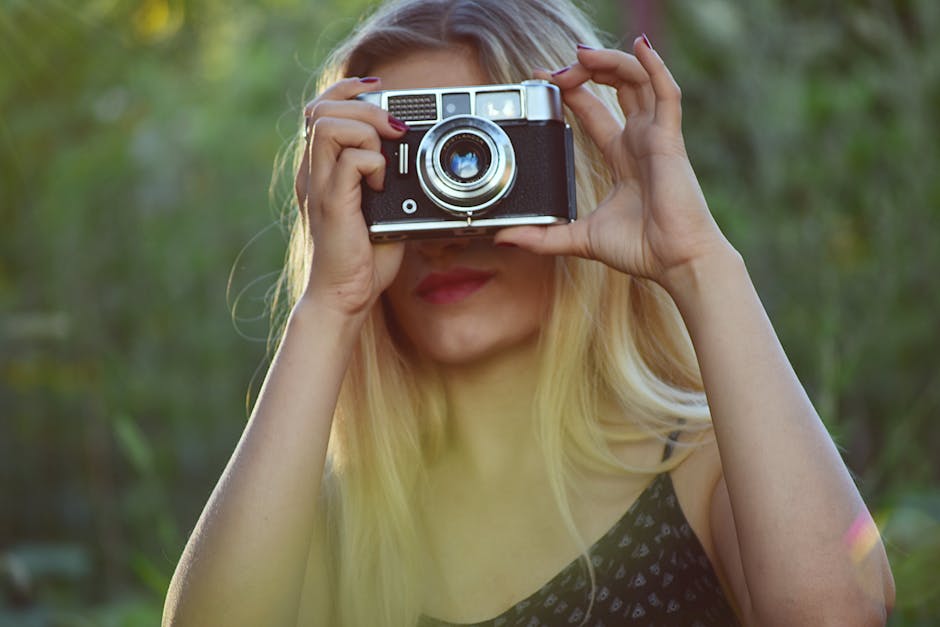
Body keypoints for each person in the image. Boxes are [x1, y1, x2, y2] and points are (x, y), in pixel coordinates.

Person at [162, 0, 895, 625]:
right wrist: (327, 304)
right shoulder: (312, 527)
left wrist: (698, 262)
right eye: (411, 166)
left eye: (487, 161)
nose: (452, 228)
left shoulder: (710, 466)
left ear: (580, 175)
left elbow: (842, 613)